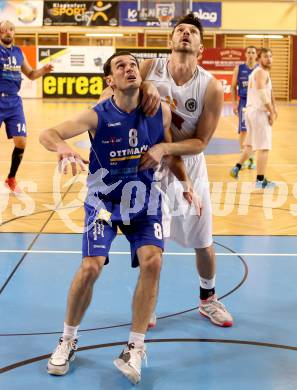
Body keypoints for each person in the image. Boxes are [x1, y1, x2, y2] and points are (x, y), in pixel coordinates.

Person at [40, 52, 196, 384]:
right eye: (119, 66)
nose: (128, 68)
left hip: (144, 202)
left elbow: (169, 150)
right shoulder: (97, 116)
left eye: (131, 64)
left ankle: (135, 347)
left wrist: (185, 184)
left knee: (153, 261)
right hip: (104, 203)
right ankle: (67, 339)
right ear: (110, 80)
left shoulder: (161, 111)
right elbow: (48, 133)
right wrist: (64, 149)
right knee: (90, 267)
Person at [100, 13, 233, 328]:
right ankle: (149, 303)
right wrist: (131, 91)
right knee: (152, 243)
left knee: (203, 240)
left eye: (192, 32)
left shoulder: (210, 86)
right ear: (170, 41)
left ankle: (208, 299)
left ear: (201, 47)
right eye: (180, 30)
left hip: (187, 167)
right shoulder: (147, 68)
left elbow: (200, 142)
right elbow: (108, 96)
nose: (185, 33)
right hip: (147, 170)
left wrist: (164, 148)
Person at [0, 20, 53, 192]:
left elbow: (30, 74)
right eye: (5, 29)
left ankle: (11, 178)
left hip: (14, 102)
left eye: (11, 29)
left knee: (21, 142)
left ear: (15, 33)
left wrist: (43, 70)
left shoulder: (18, 52)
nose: (8, 32)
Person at [230, 48, 277, 189]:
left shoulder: (257, 72)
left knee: (250, 144)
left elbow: (266, 92)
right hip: (258, 112)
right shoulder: (261, 72)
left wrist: (274, 107)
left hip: (250, 111)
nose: (268, 59)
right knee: (264, 147)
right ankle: (260, 180)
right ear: (259, 59)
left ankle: (237, 167)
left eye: (270, 56)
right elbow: (262, 93)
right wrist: (271, 111)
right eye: (265, 56)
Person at [231, 45, 258, 169]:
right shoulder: (239, 68)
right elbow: (232, 86)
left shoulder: (260, 69)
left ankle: (252, 157)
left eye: (253, 52)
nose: (251, 54)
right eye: (249, 52)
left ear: (256, 55)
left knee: (255, 130)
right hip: (243, 102)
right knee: (243, 130)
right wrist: (234, 103)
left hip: (257, 103)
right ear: (245, 54)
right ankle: (243, 155)